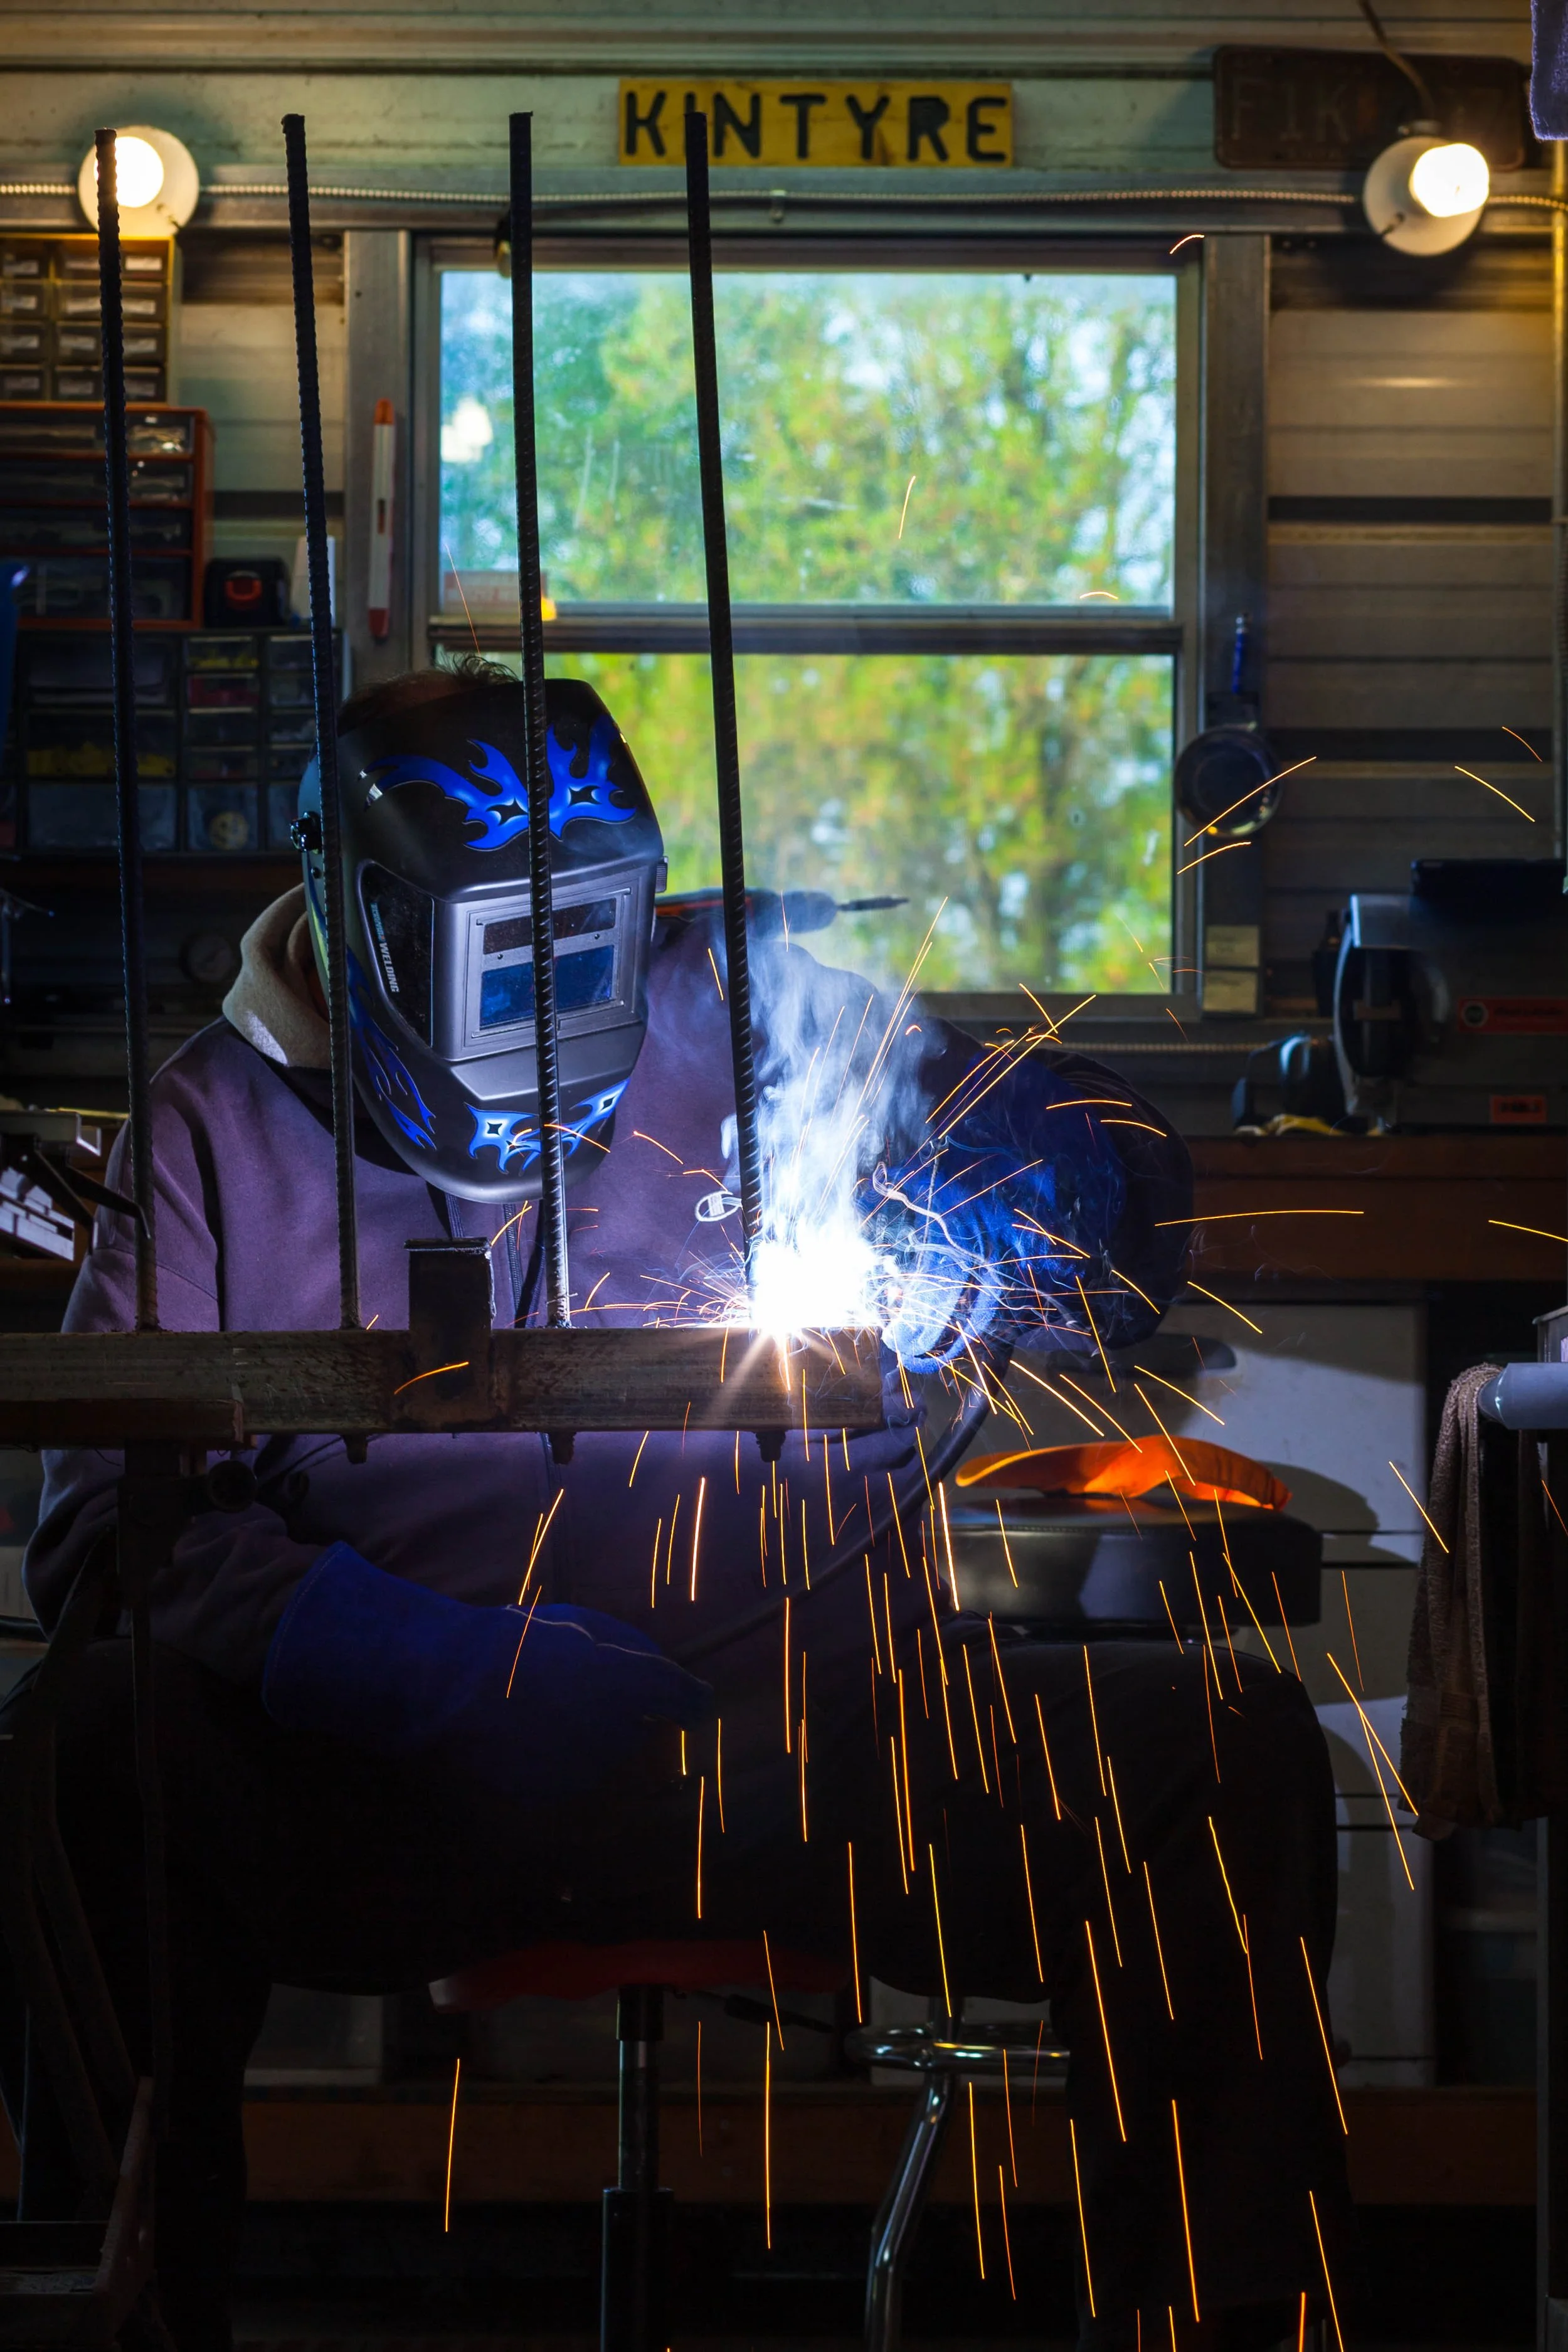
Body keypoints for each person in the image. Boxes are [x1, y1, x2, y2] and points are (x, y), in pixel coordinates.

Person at [21, 662, 1347, 2352]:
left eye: (599, 941)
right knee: (85, 1753)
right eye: (514, 958)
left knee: (1221, 1748)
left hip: (795, 1745)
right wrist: (414, 1663)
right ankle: (127, 2320)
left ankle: (1213, 2324)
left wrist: (1048, 1180)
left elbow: (1114, 1212)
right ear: (372, 930)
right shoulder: (213, 1129)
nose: (578, 1005)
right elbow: (98, 1542)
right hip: (411, 1785)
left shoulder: (756, 1007)